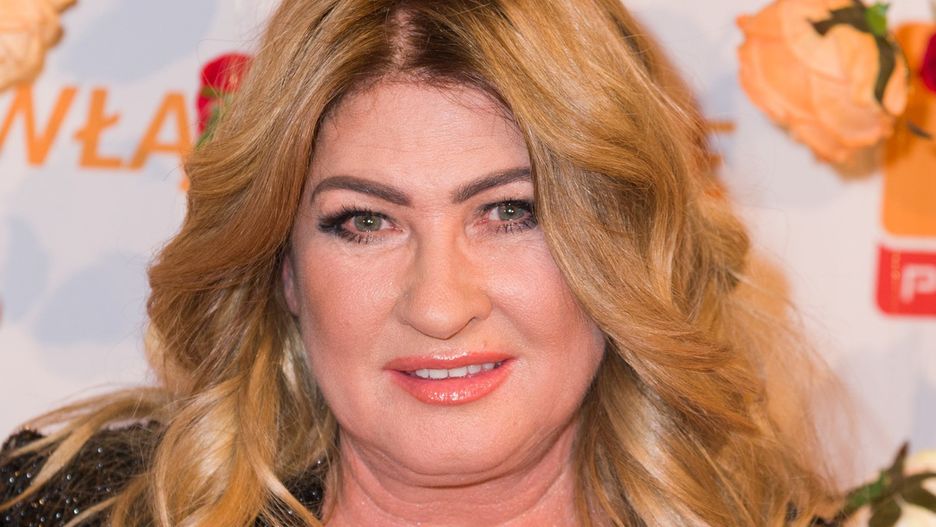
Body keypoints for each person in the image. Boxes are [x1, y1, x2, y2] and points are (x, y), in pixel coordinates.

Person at [0, 0, 840, 525]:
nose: (439, 305)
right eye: (365, 222)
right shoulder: (67, 505)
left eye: (511, 212)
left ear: (624, 247)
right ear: (283, 268)